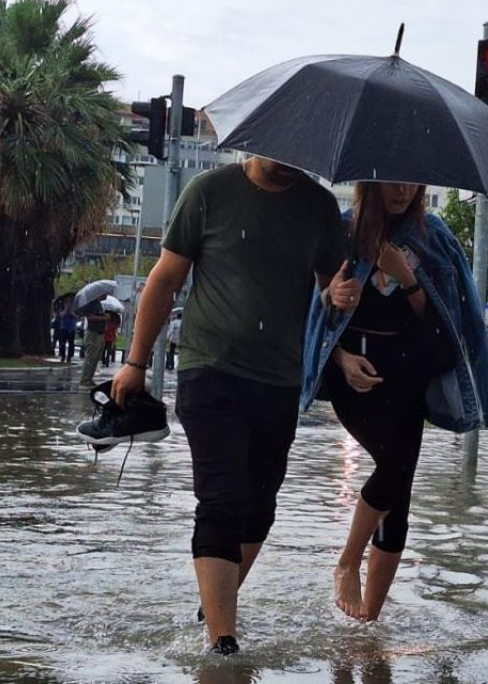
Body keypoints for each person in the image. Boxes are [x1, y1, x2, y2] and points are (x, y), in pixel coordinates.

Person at [111, 156, 345, 656]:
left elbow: (330, 291)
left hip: (281, 379)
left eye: (296, 161)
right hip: (209, 369)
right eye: (279, 159)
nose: (289, 167)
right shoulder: (207, 192)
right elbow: (165, 277)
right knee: (221, 498)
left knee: (260, 507)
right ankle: (223, 643)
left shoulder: (319, 207)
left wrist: (340, 296)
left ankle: (214, 602)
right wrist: (133, 363)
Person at [301, 180, 488, 622]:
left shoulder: (433, 235)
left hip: (408, 377)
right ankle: (348, 561)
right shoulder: (342, 233)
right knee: (392, 465)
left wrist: (407, 277)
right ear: (370, 182)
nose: (403, 191)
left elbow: (439, 321)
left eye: (413, 183)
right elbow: (313, 312)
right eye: (393, 181)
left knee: (400, 495)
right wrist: (338, 339)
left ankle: (368, 622)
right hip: (355, 375)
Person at [77, 298, 109, 388]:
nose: (106, 294)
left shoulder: (99, 304)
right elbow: (90, 317)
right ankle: (85, 380)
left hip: (99, 333)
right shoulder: (93, 303)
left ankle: (89, 378)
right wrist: (104, 318)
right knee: (91, 357)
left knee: (96, 357)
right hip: (93, 333)